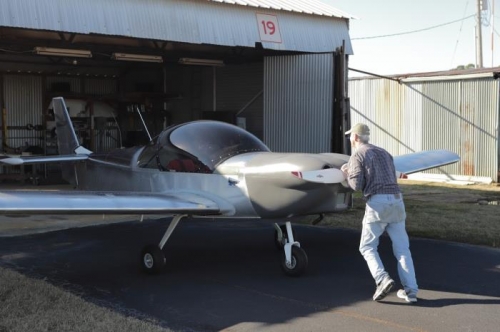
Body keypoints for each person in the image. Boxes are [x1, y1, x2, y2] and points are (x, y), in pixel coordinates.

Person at [340, 123, 418, 303]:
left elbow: (356, 185)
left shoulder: (357, 155)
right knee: (402, 249)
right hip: (397, 201)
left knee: (367, 247)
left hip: (378, 203)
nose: (350, 138)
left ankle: (382, 279)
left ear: (356, 137)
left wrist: (346, 173)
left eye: (351, 136)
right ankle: (411, 291)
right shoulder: (384, 152)